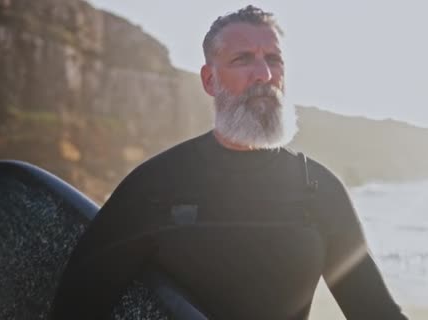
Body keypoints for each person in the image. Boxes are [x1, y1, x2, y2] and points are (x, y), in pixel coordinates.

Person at [52, 5, 409, 320]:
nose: (264, 76)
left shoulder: (317, 188)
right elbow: (75, 307)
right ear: (210, 79)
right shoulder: (155, 185)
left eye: (274, 59)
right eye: (243, 59)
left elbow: (374, 310)